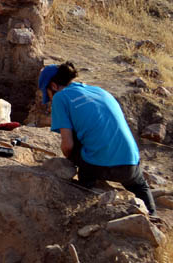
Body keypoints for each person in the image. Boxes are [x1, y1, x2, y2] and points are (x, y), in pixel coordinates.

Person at [39, 61, 157, 216]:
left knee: (77, 149)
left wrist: (71, 162)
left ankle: (86, 185)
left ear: (53, 86)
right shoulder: (99, 91)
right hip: (130, 163)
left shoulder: (61, 97)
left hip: (97, 166)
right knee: (140, 185)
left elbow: (67, 145)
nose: (50, 100)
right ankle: (153, 215)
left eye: (48, 95)